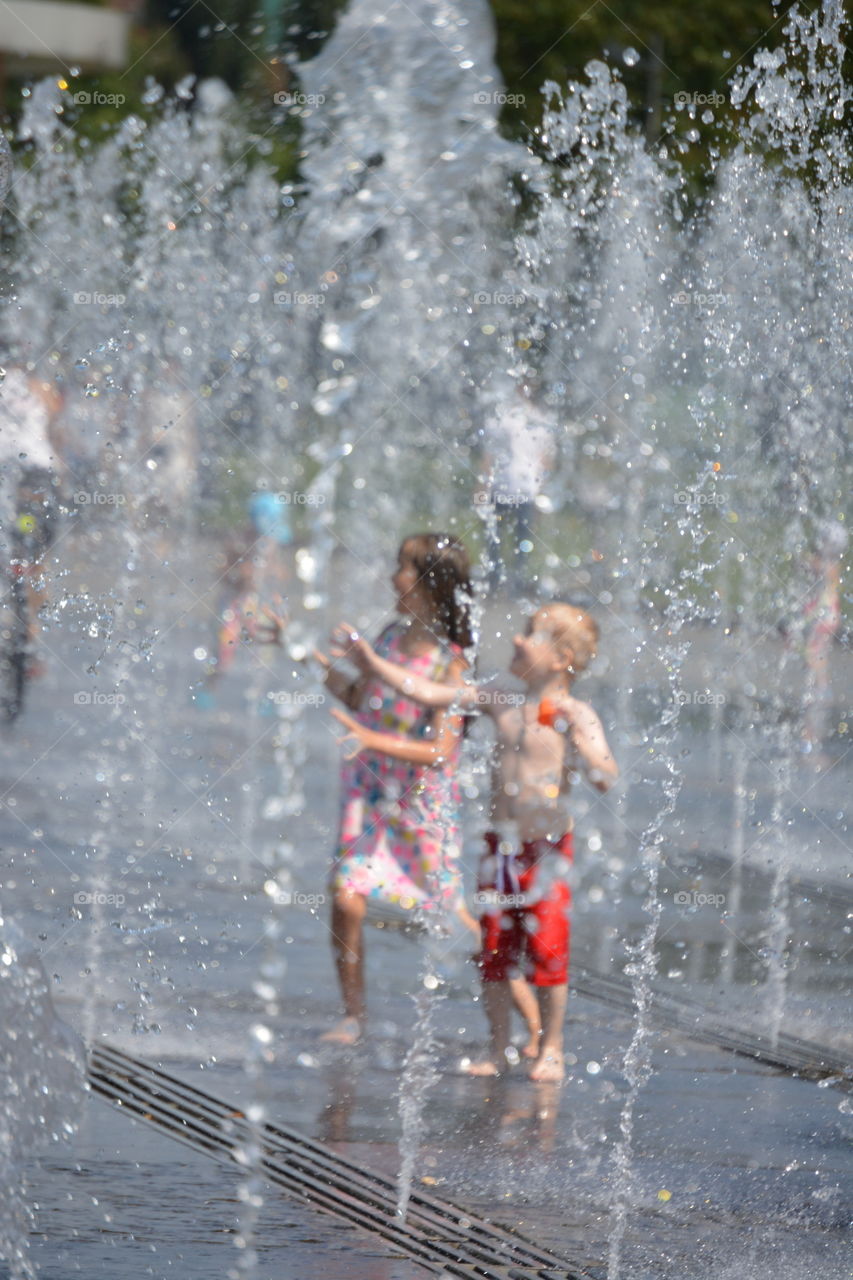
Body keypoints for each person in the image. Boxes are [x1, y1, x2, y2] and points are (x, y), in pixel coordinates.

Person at [334, 601, 617, 1081]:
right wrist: (375, 665)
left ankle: (551, 1046)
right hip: (501, 847)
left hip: (547, 851)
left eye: (532, 634)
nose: (517, 639)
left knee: (548, 950)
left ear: (561, 658)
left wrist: (581, 745)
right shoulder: (501, 697)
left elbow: (606, 776)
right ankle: (499, 1045)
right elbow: (433, 692)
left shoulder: (576, 714)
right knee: (494, 950)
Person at [313, 532, 478, 1046]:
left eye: (403, 567)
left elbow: (440, 752)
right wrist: (303, 654)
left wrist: (370, 739)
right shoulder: (386, 638)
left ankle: (520, 1003)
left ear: (430, 583)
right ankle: (353, 1015)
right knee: (345, 895)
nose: (392, 576)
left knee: (452, 919)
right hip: (373, 801)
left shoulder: (452, 664)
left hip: (421, 807)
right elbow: (359, 693)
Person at [196, 490, 290, 703]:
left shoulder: (272, 541)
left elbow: (279, 573)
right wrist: (239, 572)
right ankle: (209, 689)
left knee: (265, 648)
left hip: (257, 603)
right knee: (223, 648)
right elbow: (221, 570)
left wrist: (276, 573)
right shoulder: (238, 540)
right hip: (233, 601)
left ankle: (263, 695)